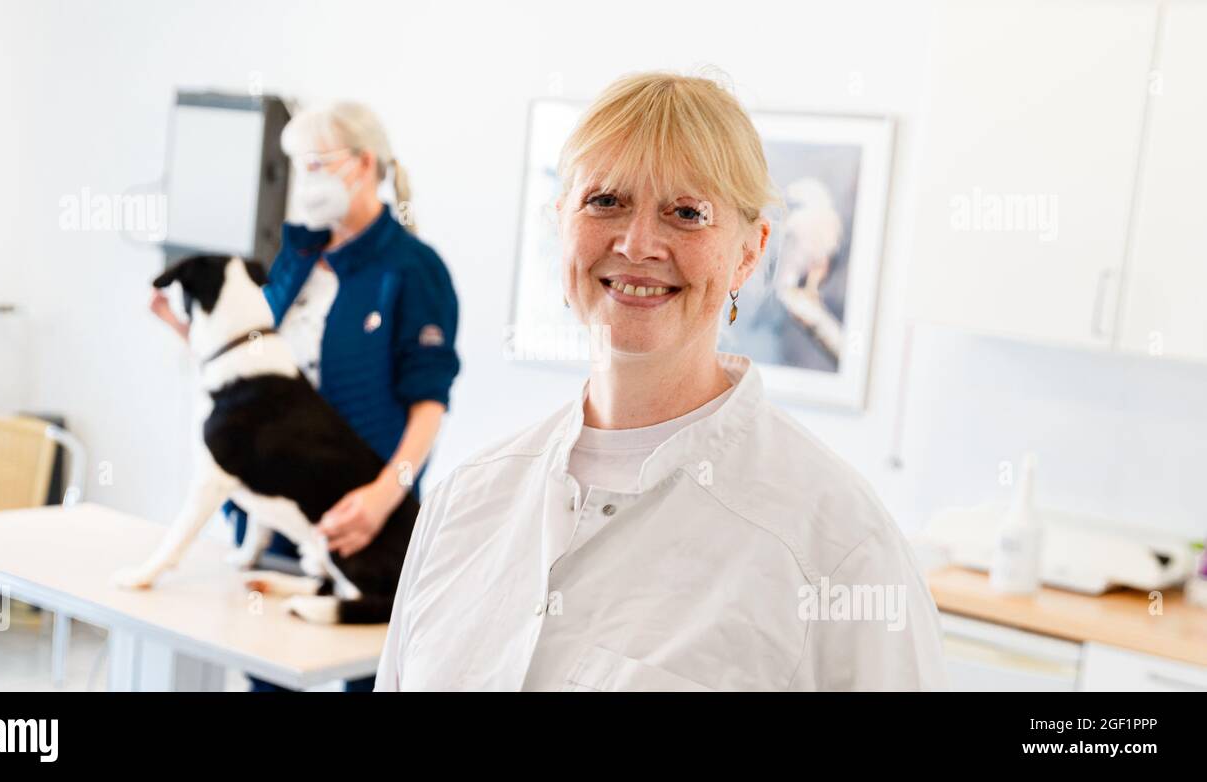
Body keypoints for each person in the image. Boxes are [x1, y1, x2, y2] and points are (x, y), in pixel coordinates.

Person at [374, 72, 945, 691]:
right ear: (560, 220)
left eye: (686, 213)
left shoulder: (841, 551)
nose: (638, 243)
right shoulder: (465, 501)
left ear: (749, 253)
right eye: (605, 201)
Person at [150, 101, 460, 692]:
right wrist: (184, 330)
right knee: (268, 667)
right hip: (272, 510)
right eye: (296, 167)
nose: (304, 182)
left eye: (316, 164)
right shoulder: (293, 257)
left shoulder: (412, 270)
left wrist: (381, 497)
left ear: (363, 164)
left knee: (363, 671)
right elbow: (255, 368)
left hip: (361, 519)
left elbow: (430, 401)